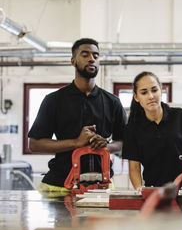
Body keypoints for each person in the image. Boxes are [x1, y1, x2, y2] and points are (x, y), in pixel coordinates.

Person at [28, 38, 127, 192]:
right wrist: (76, 142)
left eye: (96, 55)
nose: (91, 59)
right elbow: (34, 144)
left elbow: (124, 142)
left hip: (102, 186)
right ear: (73, 61)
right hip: (59, 185)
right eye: (85, 54)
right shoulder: (54, 100)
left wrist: (106, 146)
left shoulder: (112, 102)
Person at [122, 71, 182, 189]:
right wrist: (140, 192)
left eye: (154, 90)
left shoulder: (181, 116)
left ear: (161, 90)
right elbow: (134, 167)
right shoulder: (133, 128)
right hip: (153, 191)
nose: (151, 96)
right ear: (136, 97)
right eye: (144, 92)